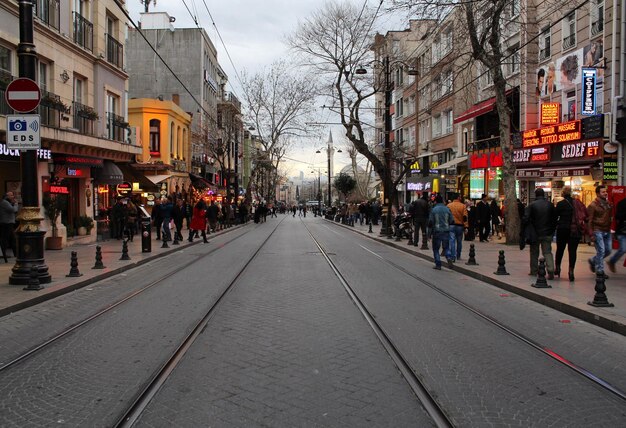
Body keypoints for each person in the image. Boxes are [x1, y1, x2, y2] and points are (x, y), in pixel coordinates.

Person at [554, 186, 588, 281]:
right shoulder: (577, 203)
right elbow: (585, 215)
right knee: (572, 251)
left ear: (563, 193)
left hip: (563, 229)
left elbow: (555, 215)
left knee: (560, 249)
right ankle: (571, 271)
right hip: (574, 230)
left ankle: (557, 268)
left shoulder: (561, 204)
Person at [523, 188, 556, 279]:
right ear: (544, 195)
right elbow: (554, 219)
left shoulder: (531, 205)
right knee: (547, 252)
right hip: (547, 232)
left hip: (535, 233)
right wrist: (552, 231)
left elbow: (525, 218)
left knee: (534, 252)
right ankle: (551, 269)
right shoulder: (550, 205)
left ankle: (534, 270)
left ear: (535, 195)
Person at [587, 185, 613, 276]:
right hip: (597, 230)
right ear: (598, 194)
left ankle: (593, 260)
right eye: (603, 192)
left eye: (606, 191)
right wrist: (591, 234)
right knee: (601, 250)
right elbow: (589, 220)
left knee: (608, 250)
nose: (605, 193)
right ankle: (600, 271)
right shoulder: (593, 205)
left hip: (607, 230)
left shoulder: (609, 204)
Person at [428, 194, 454, 270]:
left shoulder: (434, 210)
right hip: (446, 231)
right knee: (446, 247)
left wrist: (429, 234)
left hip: (437, 231)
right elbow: (452, 220)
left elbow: (430, 222)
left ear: (435, 201)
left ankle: (438, 264)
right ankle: (449, 257)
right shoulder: (447, 209)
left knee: (436, 249)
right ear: (442, 201)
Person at [607, 196, 626, 273]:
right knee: (623, 249)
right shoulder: (622, 203)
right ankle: (612, 261)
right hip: (622, 230)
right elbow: (618, 216)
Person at [447, 193, 468, 261]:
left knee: (452, 241)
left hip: (451, 225)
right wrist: (466, 226)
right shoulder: (463, 206)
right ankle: (458, 255)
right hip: (460, 226)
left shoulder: (449, 205)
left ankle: (453, 256)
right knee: (459, 241)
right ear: (458, 197)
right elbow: (465, 217)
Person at [0, 191, 18, 258]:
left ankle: (16, 254)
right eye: (11, 195)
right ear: (7, 196)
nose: (12, 196)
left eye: (12, 195)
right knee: (6, 239)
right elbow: (13, 210)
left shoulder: (7, 203)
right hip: (6, 223)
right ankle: (3, 254)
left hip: (9, 223)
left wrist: (13, 204)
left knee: (12, 239)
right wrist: (16, 204)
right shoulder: (4, 202)